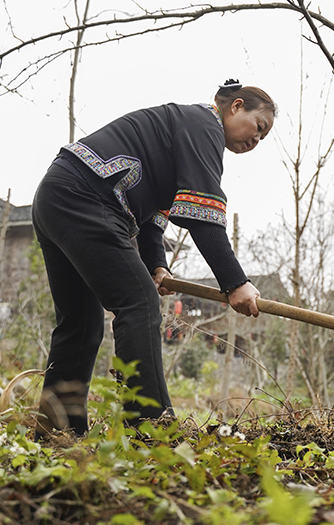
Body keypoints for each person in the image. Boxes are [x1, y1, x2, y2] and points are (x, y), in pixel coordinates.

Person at [32, 79, 276, 438]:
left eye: (263, 139)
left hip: (57, 197)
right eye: (259, 127)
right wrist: (236, 283)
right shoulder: (203, 126)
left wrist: (156, 266)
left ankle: (57, 433)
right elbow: (201, 217)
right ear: (236, 106)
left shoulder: (184, 130)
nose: (256, 141)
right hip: (86, 197)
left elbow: (151, 218)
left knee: (81, 324)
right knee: (139, 304)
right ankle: (150, 427)